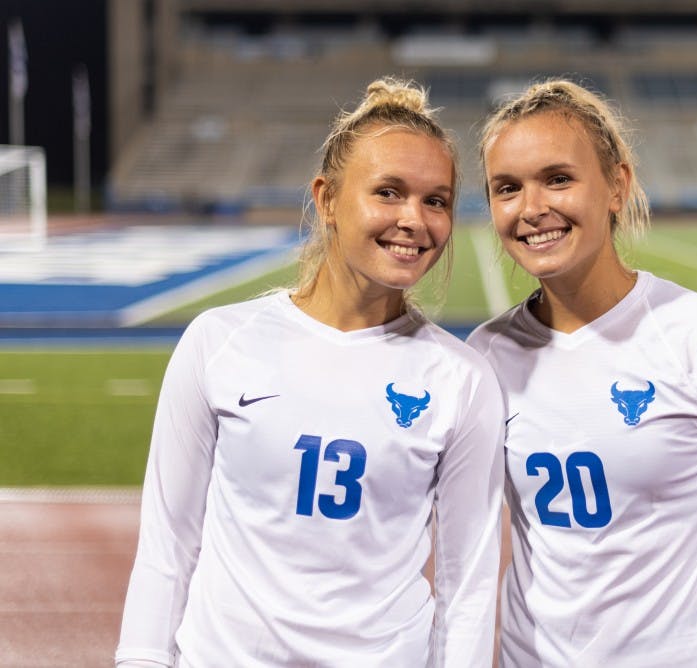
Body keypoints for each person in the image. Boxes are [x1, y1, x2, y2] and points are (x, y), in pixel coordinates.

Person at [115, 78, 505, 668]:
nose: (414, 220)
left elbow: (467, 590)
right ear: (327, 199)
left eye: (436, 201)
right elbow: (168, 546)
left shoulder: (462, 380)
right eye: (389, 192)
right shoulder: (219, 343)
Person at [467, 80, 697, 667]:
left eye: (558, 178)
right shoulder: (486, 356)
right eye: (507, 188)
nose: (532, 207)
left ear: (617, 185)